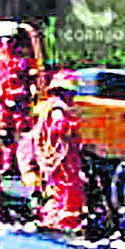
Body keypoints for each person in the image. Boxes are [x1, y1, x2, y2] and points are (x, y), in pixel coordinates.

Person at [31, 70, 86, 231]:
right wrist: (75, 128)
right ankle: (62, 225)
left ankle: (56, 221)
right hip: (63, 163)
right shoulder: (57, 108)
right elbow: (59, 127)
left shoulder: (49, 106)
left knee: (60, 192)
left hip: (60, 161)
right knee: (67, 193)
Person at [0, 22, 37, 172]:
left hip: (19, 98)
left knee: (23, 130)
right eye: (4, 39)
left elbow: (31, 76)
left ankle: (25, 163)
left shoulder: (23, 56)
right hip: (1, 98)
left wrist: (33, 91)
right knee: (4, 130)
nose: (7, 43)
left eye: (10, 39)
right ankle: (6, 162)